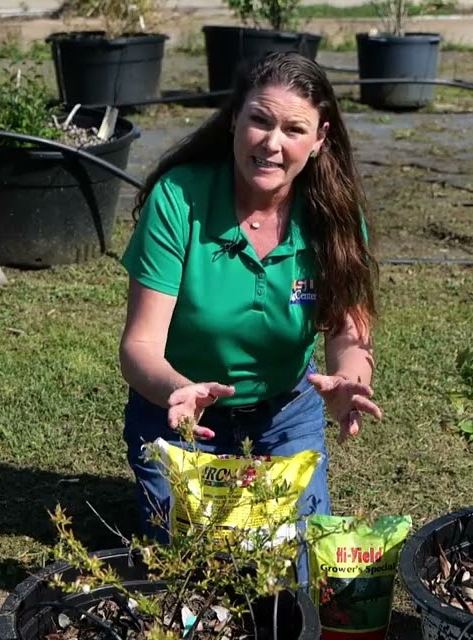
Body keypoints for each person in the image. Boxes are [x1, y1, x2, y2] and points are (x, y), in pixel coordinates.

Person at [118, 52, 382, 566]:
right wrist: (178, 390)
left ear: (320, 138)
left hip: (285, 414)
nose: (272, 143)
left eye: (294, 129)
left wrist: (348, 379)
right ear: (235, 117)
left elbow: (349, 332)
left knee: (295, 566)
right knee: (194, 570)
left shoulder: (335, 216)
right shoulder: (179, 198)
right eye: (260, 120)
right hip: (180, 416)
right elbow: (139, 346)